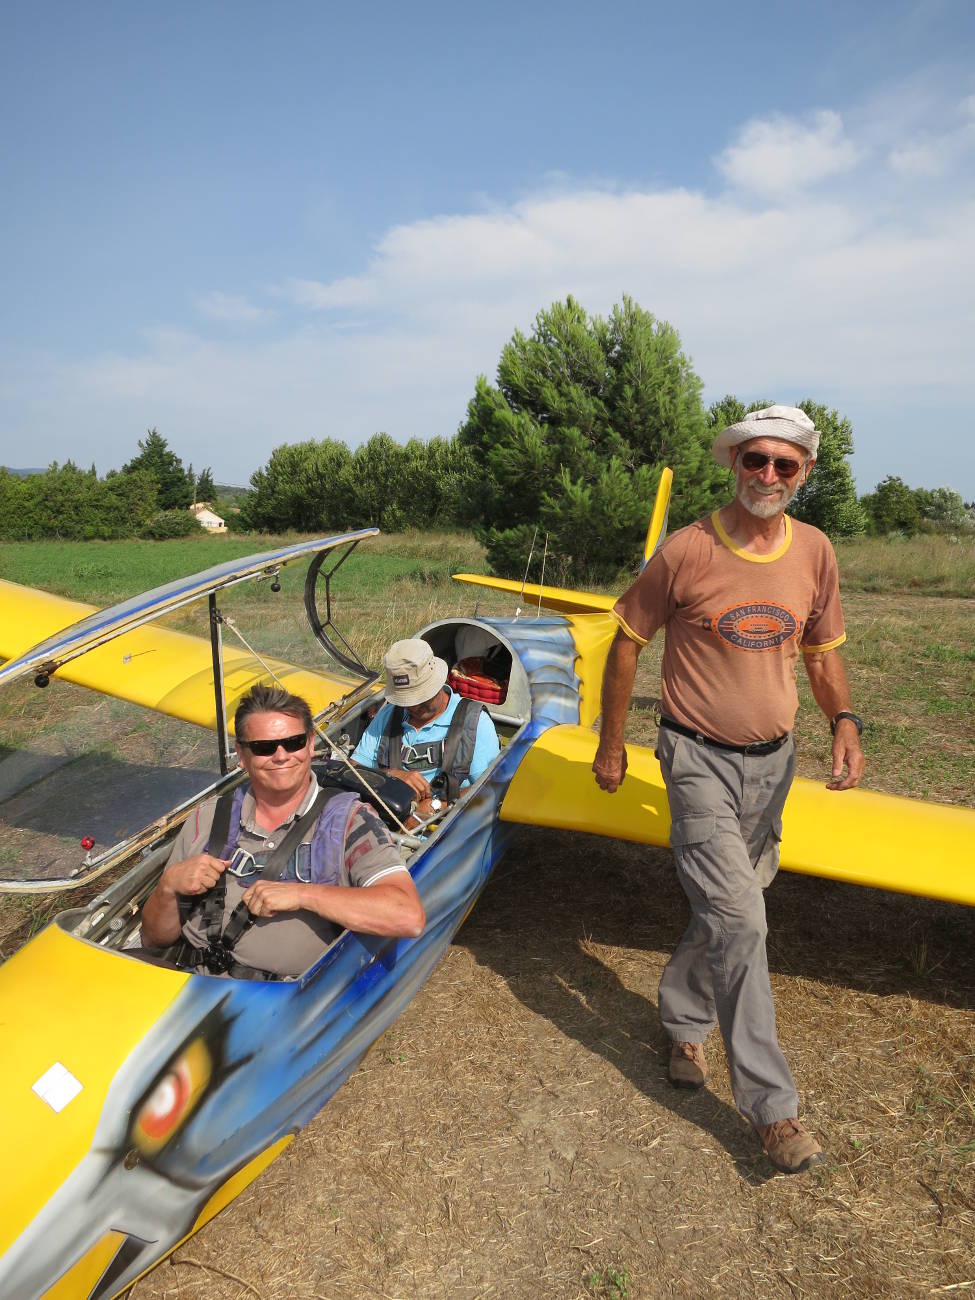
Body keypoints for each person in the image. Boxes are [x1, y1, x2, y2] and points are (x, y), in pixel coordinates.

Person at [592, 405, 865, 1174]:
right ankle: (772, 1112)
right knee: (742, 920)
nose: (767, 475)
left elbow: (820, 652)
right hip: (695, 759)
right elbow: (626, 643)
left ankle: (682, 1021)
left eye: (784, 464)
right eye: (755, 460)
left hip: (773, 765)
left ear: (804, 473)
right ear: (734, 463)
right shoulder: (687, 549)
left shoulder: (814, 551)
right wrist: (610, 744)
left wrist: (843, 719)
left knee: (730, 902)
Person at [140, 683, 426, 979]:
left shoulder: (351, 821)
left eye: (294, 742)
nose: (281, 755)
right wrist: (168, 888)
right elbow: (153, 939)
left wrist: (303, 895)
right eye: (264, 747)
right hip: (187, 982)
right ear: (242, 755)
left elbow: (407, 915)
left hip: (283, 999)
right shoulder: (208, 817)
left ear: (311, 744)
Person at [352, 638, 500, 816]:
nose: (414, 707)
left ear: (438, 683)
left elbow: (491, 788)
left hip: (445, 824)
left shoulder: (475, 723)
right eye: (406, 700)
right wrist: (391, 775)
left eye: (420, 697)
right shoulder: (388, 714)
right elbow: (352, 768)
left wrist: (435, 807)